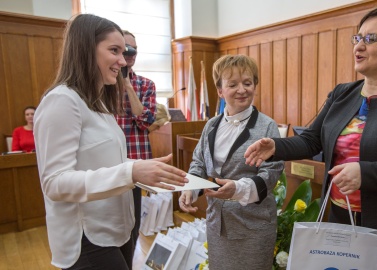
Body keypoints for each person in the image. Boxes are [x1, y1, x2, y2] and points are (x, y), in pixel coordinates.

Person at [244, 6, 377, 270]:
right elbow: (312, 141)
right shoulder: (342, 93)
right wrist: (276, 147)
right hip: (340, 221)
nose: (358, 46)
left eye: (370, 39)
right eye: (357, 37)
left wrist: (366, 173)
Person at [34, 14, 188, 270]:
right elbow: (54, 182)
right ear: (85, 49)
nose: (122, 60)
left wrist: (143, 168)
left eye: (125, 51)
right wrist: (131, 171)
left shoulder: (98, 104)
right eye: (114, 50)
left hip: (115, 230)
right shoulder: (62, 101)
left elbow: (104, 160)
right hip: (87, 236)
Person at [179, 55, 284, 270]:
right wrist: (190, 189)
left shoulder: (267, 126)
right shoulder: (211, 125)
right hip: (218, 224)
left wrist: (236, 188)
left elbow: (270, 175)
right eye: (233, 84)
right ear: (220, 91)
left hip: (253, 225)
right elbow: (198, 162)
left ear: (255, 85)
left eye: (247, 83)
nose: (242, 90)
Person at [115, 30, 157, 249]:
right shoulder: (102, 84)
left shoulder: (145, 85)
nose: (131, 53)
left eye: (134, 49)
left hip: (137, 164)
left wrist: (127, 86)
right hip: (109, 166)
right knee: (111, 226)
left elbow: (145, 122)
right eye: (125, 48)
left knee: (134, 225)